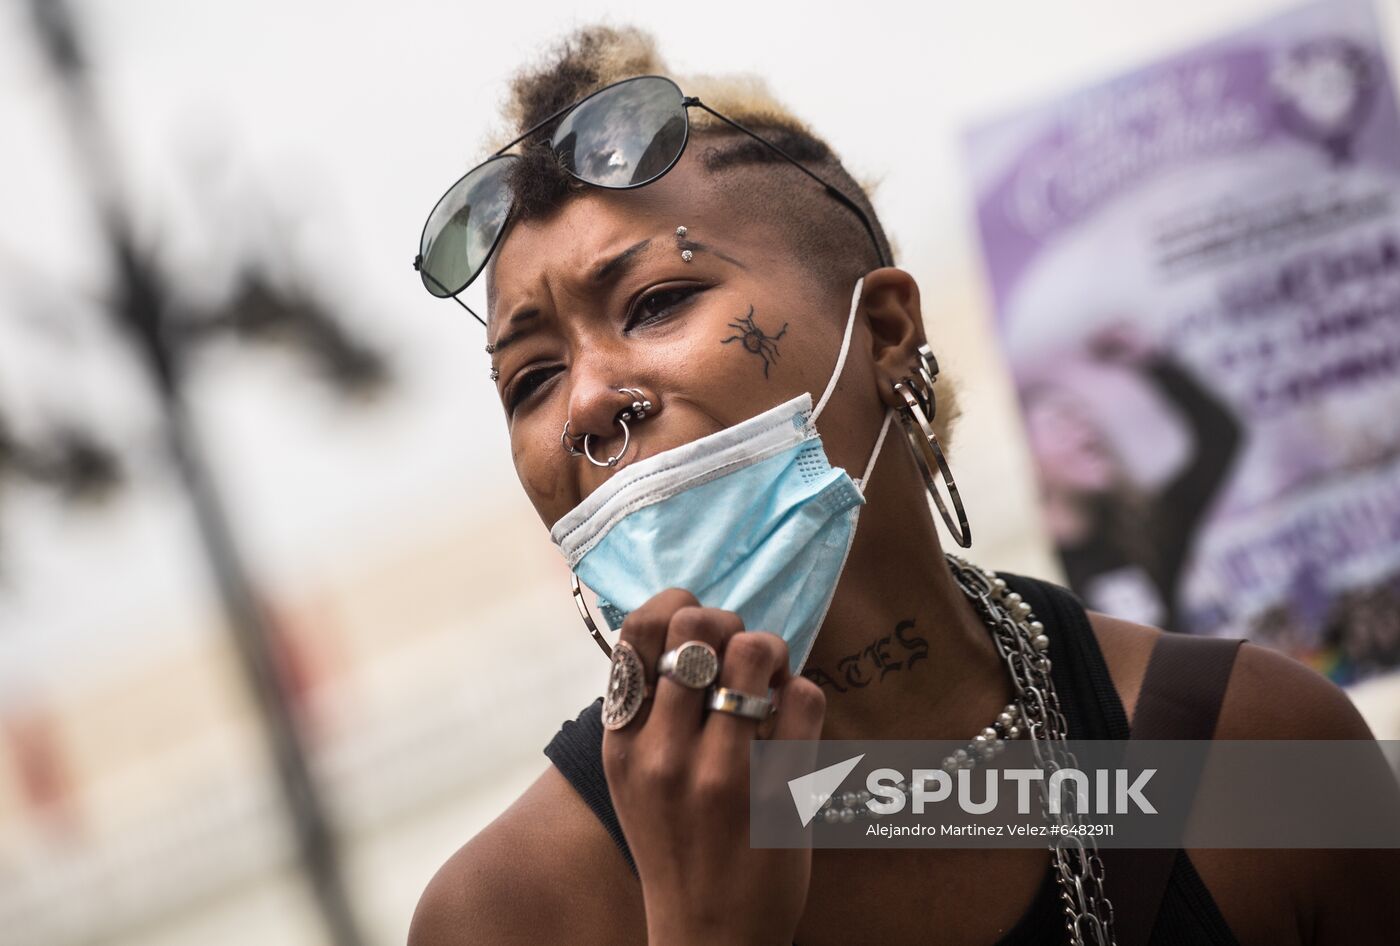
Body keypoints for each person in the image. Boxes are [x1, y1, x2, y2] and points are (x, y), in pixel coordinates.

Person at [406, 25, 1399, 946]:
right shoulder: (511, 911)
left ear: (882, 332)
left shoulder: (1249, 757)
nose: (582, 402)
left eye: (657, 301)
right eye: (529, 378)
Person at [1022, 321, 1244, 636]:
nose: (1083, 427)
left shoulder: (1144, 531)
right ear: (1023, 460)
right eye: (1060, 422)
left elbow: (1220, 438)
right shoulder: (1025, 574)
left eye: (1082, 415)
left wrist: (1153, 362)